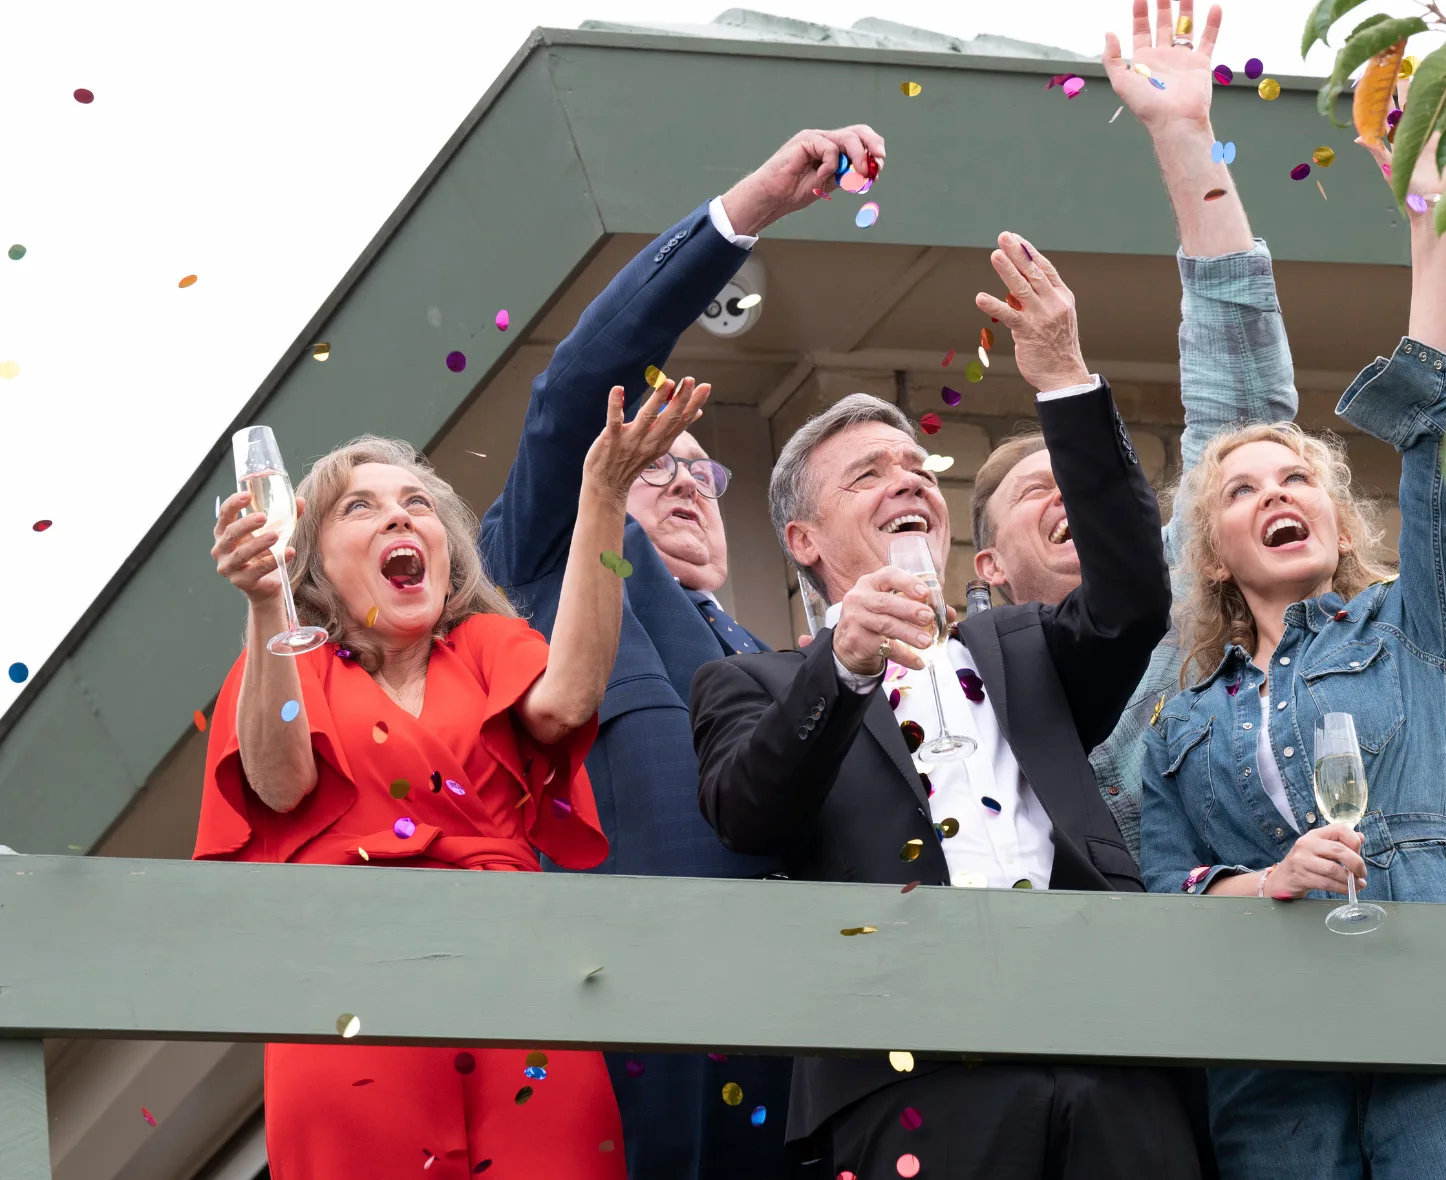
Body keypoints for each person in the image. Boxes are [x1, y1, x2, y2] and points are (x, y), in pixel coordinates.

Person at [688, 233, 1202, 1180]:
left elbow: (1134, 598)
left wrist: (1065, 380)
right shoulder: (752, 684)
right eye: (870, 474)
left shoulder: (1020, 644)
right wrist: (840, 667)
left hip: (1110, 1056)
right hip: (915, 1081)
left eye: (918, 467)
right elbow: (746, 812)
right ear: (803, 538)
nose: (911, 480)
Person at [1136, 79, 1446, 1180]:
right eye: (1244, 487)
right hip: (1273, 1038)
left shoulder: (1412, 626)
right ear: (1215, 549)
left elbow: (1443, 432)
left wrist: (1432, 221)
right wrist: (1267, 881)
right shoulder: (1183, 715)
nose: (1280, 493)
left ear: (1332, 513)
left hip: (1427, 976)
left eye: (1300, 478)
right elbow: (1168, 881)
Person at [478, 123, 885, 1179]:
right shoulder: (557, 553)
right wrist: (743, 213)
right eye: (660, 457)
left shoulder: (791, 659)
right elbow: (577, 393)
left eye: (702, 471)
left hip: (825, 1052)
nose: (679, 480)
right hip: (650, 1036)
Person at [195, 377, 703, 1180]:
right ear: (310, 554)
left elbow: (570, 698)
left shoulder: (486, 645)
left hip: (519, 983)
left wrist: (602, 494)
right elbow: (281, 782)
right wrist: (267, 603)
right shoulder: (289, 669)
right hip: (350, 994)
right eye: (359, 507)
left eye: (417, 503)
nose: (400, 514)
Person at [970, 0, 1297, 860]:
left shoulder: (1190, 601)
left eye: (1076, 477)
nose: (1068, 494)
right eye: (1039, 489)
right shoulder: (962, 689)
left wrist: (1185, 134)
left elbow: (1243, 401)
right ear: (989, 566)